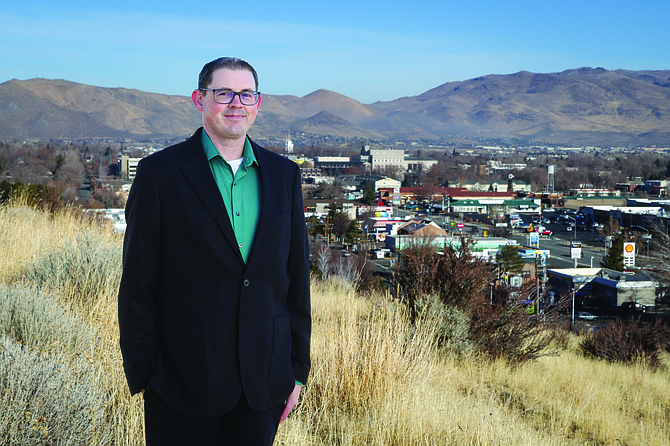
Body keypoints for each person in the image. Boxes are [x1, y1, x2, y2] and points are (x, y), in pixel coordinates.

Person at [118, 57, 311, 446]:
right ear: (199, 99)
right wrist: (146, 375)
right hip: (181, 385)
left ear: (258, 103)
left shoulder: (284, 175)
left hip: (263, 385)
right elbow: (138, 283)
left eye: (246, 94)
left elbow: (294, 281)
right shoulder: (160, 174)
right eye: (223, 93)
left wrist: (296, 371)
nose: (236, 103)